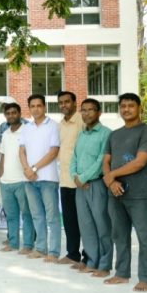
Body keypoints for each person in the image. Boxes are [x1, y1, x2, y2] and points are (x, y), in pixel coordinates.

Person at [103, 93, 147, 292]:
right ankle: (122, 274)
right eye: (123, 106)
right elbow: (106, 161)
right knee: (119, 235)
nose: (126, 109)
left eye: (131, 106)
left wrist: (111, 176)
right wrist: (111, 183)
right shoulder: (114, 135)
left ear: (139, 108)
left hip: (139, 194)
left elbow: (139, 162)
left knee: (145, 237)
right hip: (115, 194)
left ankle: (145, 278)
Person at [70, 99, 112, 277]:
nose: (86, 114)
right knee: (86, 226)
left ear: (99, 112)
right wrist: (75, 177)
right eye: (83, 110)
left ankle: (104, 265)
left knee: (102, 226)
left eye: (90, 110)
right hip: (80, 187)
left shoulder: (106, 134)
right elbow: (74, 158)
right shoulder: (82, 134)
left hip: (96, 185)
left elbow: (102, 160)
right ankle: (92, 261)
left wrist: (84, 177)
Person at [19, 94, 61, 262]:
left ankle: (54, 252)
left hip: (47, 178)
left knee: (52, 217)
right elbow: (21, 150)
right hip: (29, 179)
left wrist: (34, 168)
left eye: (39, 105)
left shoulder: (53, 126)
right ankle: (41, 248)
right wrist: (27, 169)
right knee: (37, 215)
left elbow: (53, 151)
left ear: (44, 107)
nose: (36, 109)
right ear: (29, 108)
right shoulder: (26, 128)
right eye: (32, 106)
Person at [57, 90, 88, 268]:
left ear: (75, 103)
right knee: (69, 220)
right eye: (61, 102)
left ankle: (88, 257)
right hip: (65, 180)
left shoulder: (83, 121)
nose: (64, 105)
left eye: (67, 102)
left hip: (81, 180)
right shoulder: (60, 124)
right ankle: (72, 254)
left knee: (85, 221)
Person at [0, 103, 34, 254]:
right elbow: (3, 155)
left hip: (22, 181)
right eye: (8, 113)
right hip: (6, 182)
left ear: (20, 113)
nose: (11, 115)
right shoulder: (5, 133)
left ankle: (27, 245)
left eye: (14, 112)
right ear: (5, 115)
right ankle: (13, 243)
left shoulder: (27, 131)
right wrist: (1, 176)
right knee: (11, 216)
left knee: (27, 215)